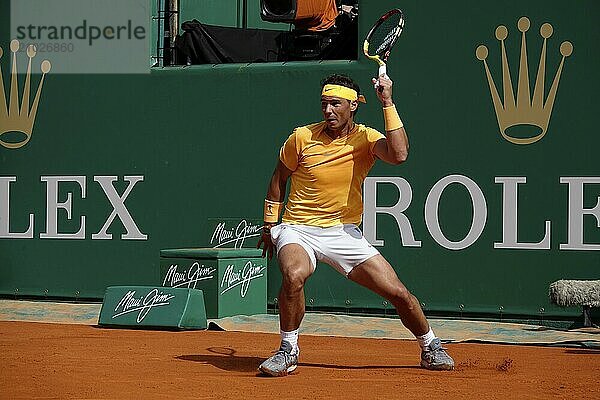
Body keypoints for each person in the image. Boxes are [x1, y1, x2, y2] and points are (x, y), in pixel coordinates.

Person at [256, 72, 454, 376]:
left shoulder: (366, 138)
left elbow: (399, 154)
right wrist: (271, 225)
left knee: (398, 293)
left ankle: (430, 346)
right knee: (293, 276)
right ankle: (288, 349)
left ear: (353, 106)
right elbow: (277, 179)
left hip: (343, 232)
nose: (328, 111)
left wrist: (387, 101)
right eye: (324, 104)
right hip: (299, 228)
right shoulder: (301, 137)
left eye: (335, 104)